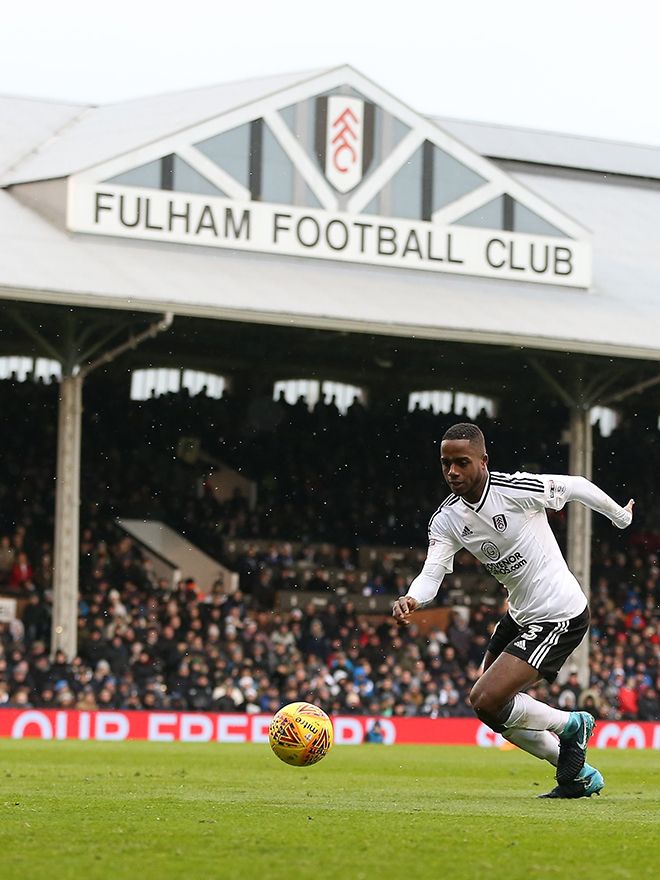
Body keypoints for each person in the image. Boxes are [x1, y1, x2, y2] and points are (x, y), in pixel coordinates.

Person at [392, 423, 634, 799]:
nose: (452, 472)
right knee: (487, 706)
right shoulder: (447, 519)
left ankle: (573, 725)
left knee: (487, 697)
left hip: (560, 612)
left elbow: (576, 485)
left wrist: (620, 517)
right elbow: (431, 573)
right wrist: (413, 598)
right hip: (520, 614)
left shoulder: (515, 489)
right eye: (445, 464)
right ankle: (577, 773)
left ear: (483, 461)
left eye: (461, 463)